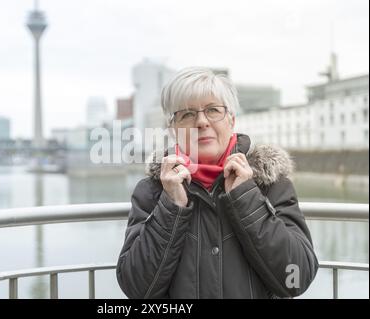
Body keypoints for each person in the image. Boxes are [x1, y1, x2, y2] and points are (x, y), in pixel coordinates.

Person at [116, 67, 318, 299]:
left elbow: (296, 278)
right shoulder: (153, 190)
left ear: (231, 120)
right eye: (187, 114)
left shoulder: (268, 181)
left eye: (213, 110)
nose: (201, 122)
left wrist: (246, 197)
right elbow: (137, 289)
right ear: (172, 129)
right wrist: (171, 206)